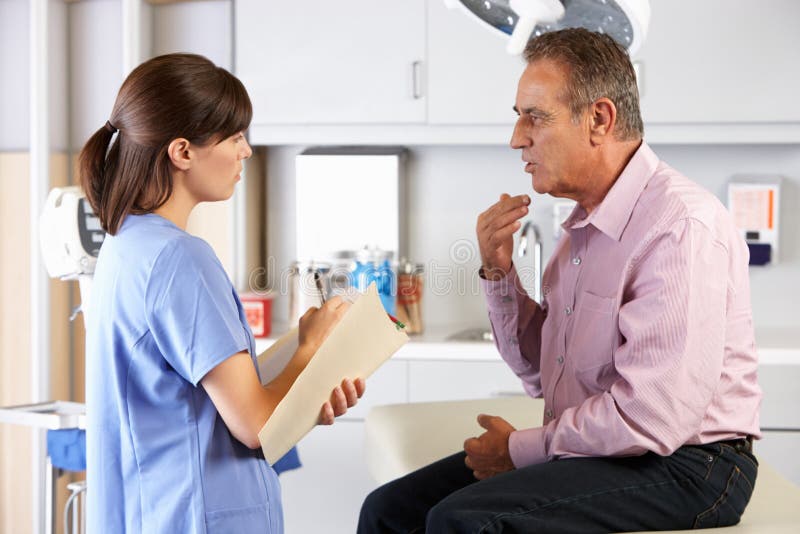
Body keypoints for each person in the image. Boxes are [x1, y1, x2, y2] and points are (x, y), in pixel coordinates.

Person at [358, 28, 761, 533]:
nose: (516, 138)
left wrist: (520, 450)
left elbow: (652, 416)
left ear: (599, 119)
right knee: (387, 512)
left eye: (535, 117)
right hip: (609, 453)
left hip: (690, 466)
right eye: (517, 116)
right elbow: (537, 371)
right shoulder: (580, 230)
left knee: (462, 520)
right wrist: (499, 270)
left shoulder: (681, 227)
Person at [80, 53, 364, 533]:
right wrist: (311, 349)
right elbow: (254, 425)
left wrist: (302, 376)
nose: (246, 151)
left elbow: (197, 397)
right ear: (182, 152)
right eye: (234, 137)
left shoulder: (124, 245)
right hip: (200, 516)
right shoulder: (181, 260)